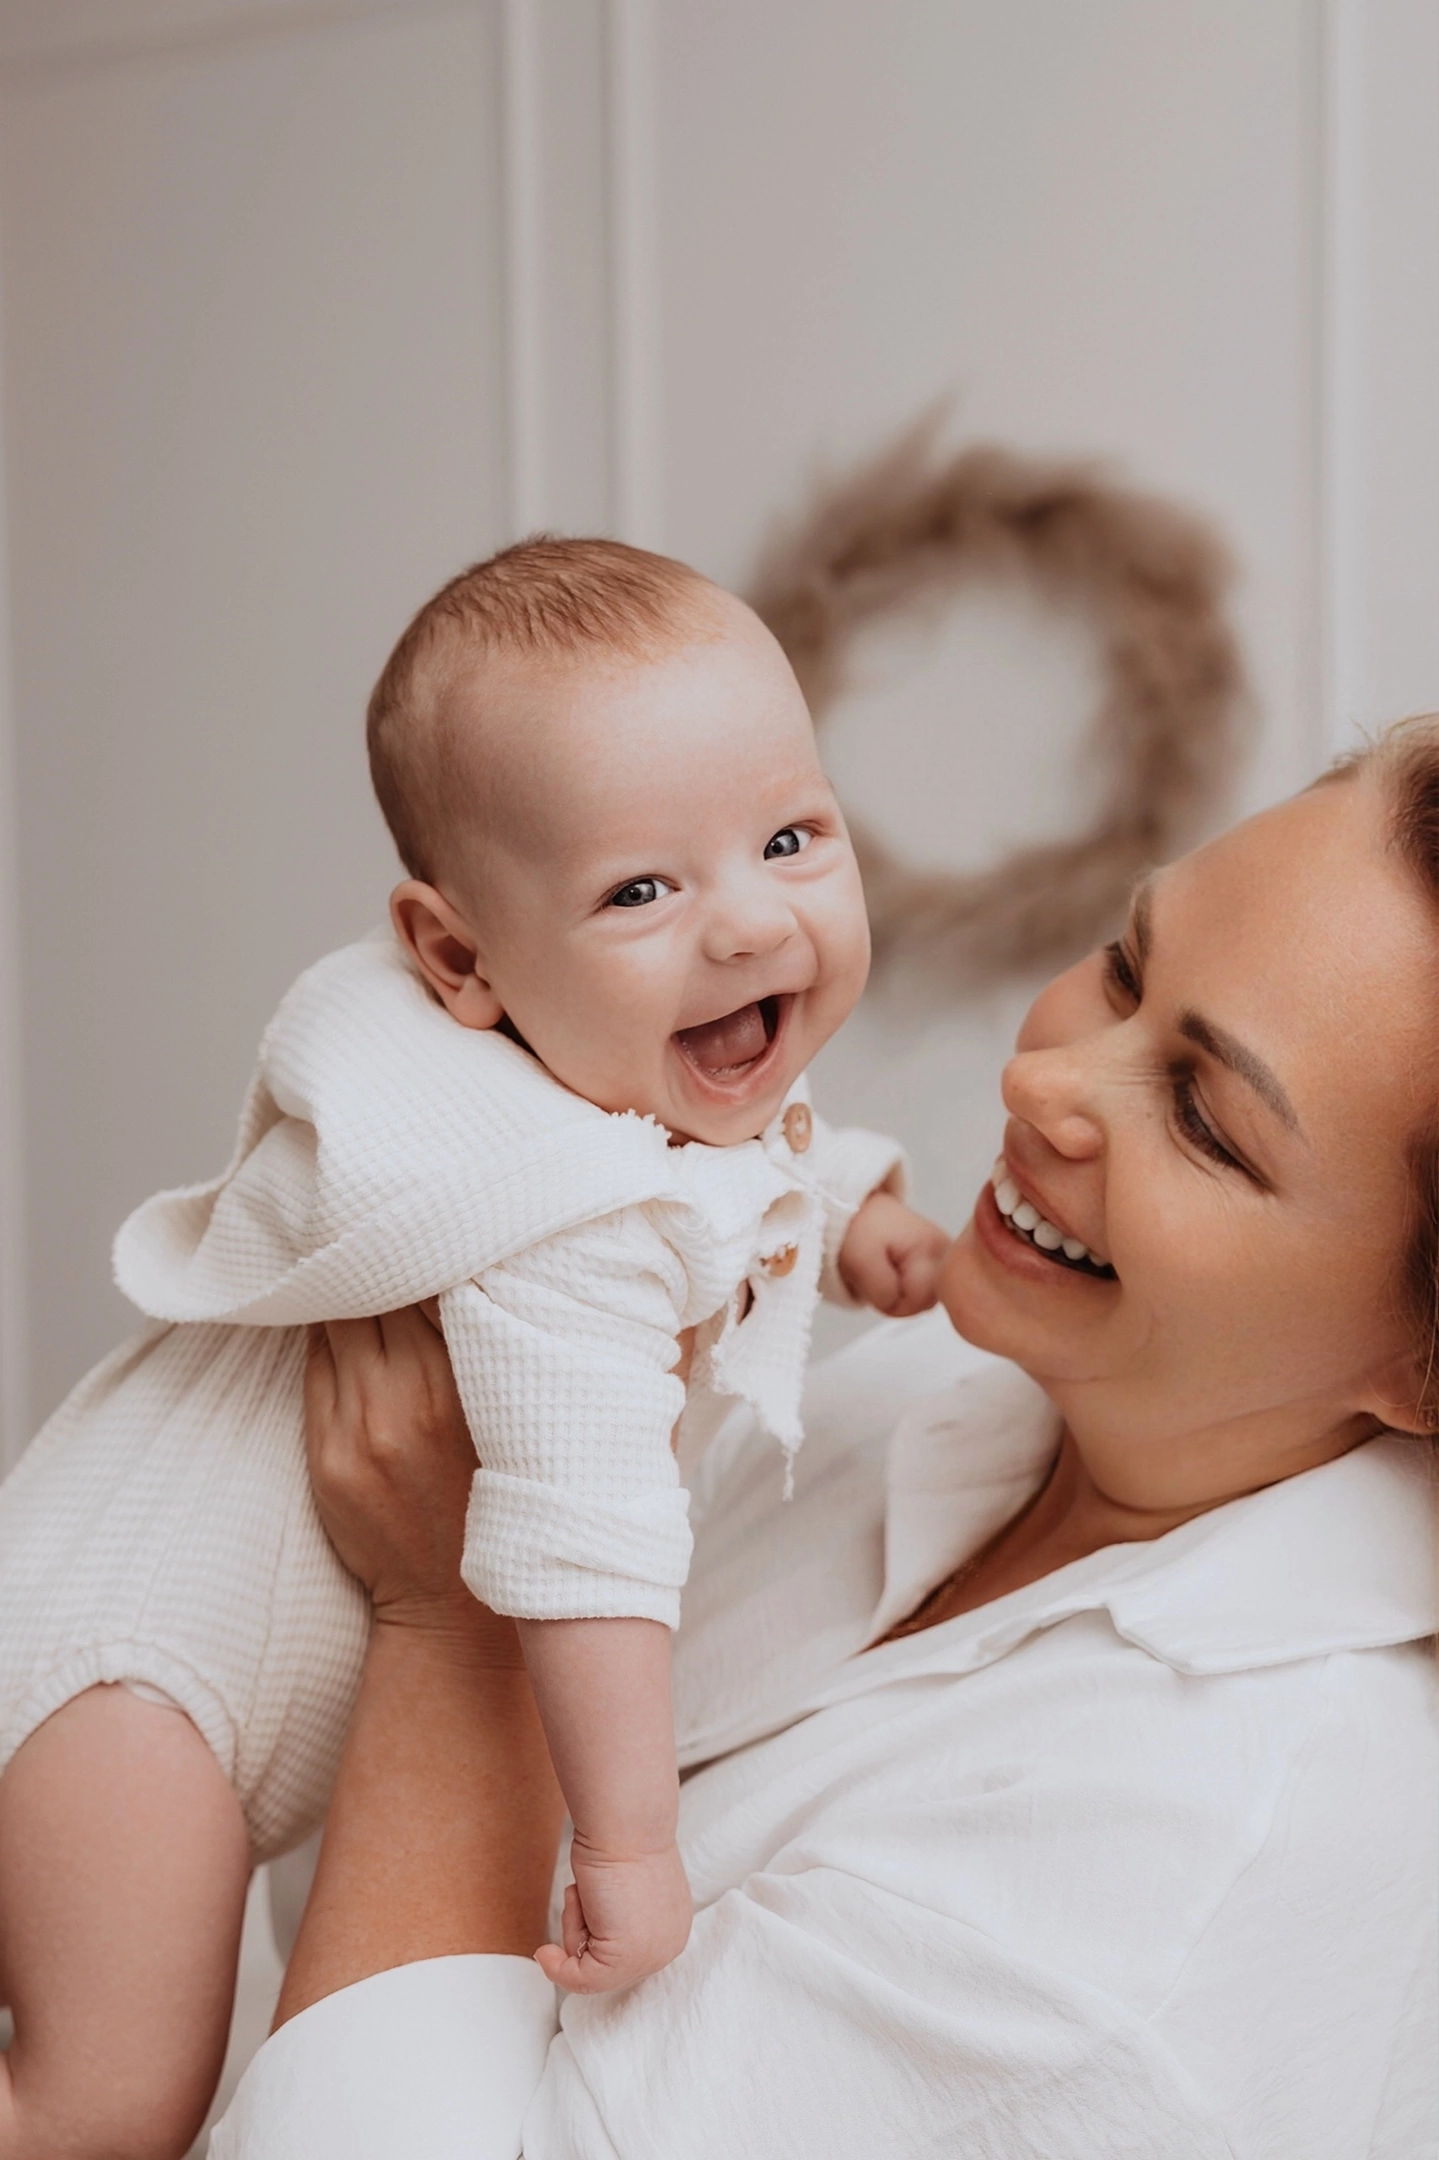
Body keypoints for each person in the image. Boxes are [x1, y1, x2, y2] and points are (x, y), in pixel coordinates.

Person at [215, 716, 1438, 2159]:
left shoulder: (1158, 1914)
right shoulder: (949, 1379)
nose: (1043, 1085)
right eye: (1121, 964)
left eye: (1201, 1120)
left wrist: (458, 1621)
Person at [0, 539, 949, 2159]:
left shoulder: (613, 1072)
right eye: (639, 889)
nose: (743, 922)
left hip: (164, 1661)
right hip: (129, 1688)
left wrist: (853, 1210)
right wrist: (630, 1854)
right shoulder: (543, 1224)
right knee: (105, 2106)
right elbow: (582, 1544)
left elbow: (743, 1157)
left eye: (790, 838)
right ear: (458, 958)